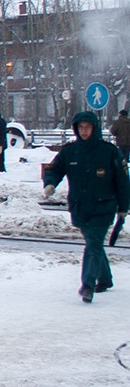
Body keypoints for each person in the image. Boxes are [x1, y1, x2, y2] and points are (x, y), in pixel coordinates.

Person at [42, 110, 130, 303]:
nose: (84, 131)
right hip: (80, 207)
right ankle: (105, 279)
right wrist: (50, 184)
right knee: (95, 245)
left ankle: (87, 285)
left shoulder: (109, 151)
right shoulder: (70, 151)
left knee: (93, 243)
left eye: (87, 127)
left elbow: (123, 181)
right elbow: (54, 169)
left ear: (94, 128)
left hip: (104, 207)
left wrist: (123, 208)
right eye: (80, 127)